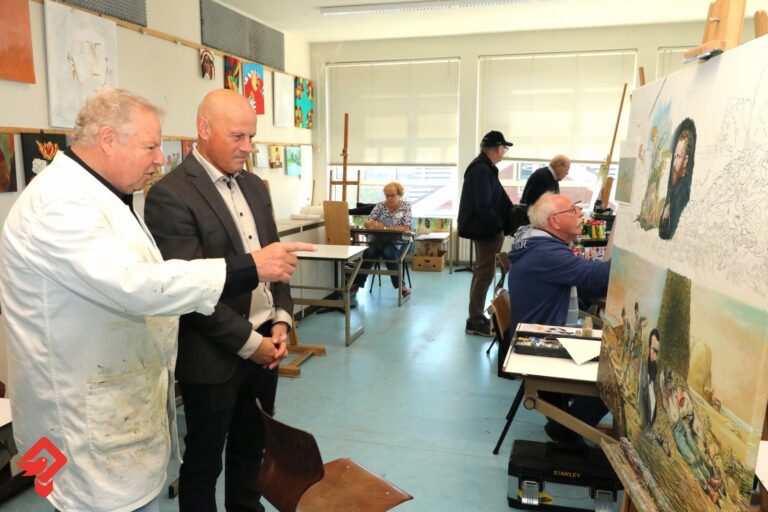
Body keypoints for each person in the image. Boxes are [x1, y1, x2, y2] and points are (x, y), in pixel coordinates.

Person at [0, 88, 314, 512]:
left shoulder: (103, 196)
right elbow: (139, 285)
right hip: (82, 421)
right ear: (108, 139)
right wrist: (248, 267)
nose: (158, 160)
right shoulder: (58, 204)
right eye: (150, 147)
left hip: (118, 409)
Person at [144, 89, 292, 512]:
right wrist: (250, 343)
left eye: (252, 137)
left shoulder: (255, 186)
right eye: (237, 136)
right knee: (204, 463)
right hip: (213, 354)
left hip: (267, 348)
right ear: (204, 129)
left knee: (252, 450)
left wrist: (281, 319)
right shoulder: (171, 195)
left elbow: (276, 258)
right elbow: (188, 290)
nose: (247, 147)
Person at [507, 192, 611, 443]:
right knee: (617, 369)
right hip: (535, 345)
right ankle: (568, 429)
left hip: (533, 338)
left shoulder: (537, 245)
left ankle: (569, 418)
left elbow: (584, 286)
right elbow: (597, 278)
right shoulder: (545, 253)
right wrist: (632, 255)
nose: (580, 213)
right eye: (573, 211)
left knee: (609, 355)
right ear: (554, 221)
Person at [458, 130, 513, 336]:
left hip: (484, 229)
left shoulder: (484, 167)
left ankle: (476, 316)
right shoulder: (481, 169)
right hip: (486, 230)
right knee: (484, 275)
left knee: (481, 273)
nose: (504, 152)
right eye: (504, 148)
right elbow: (483, 205)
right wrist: (497, 226)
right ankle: (475, 320)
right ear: (497, 148)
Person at [350, 181, 412, 298]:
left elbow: (406, 227)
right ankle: (356, 285)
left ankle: (401, 286)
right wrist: (371, 225)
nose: (389, 198)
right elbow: (367, 222)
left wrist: (384, 227)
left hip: (398, 241)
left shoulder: (406, 207)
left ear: (399, 194)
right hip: (379, 240)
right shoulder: (380, 206)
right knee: (368, 252)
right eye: (387, 195)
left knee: (388, 252)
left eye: (392, 195)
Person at [659, 118, 696, 240]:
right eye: (674, 157)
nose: (674, 164)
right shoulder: (672, 190)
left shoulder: (683, 193)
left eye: (679, 157)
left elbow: (666, 234)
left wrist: (665, 218)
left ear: (685, 161)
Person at [638, 328, 660, 431]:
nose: (655, 357)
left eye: (658, 353)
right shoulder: (642, 375)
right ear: (648, 348)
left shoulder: (656, 379)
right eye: (654, 350)